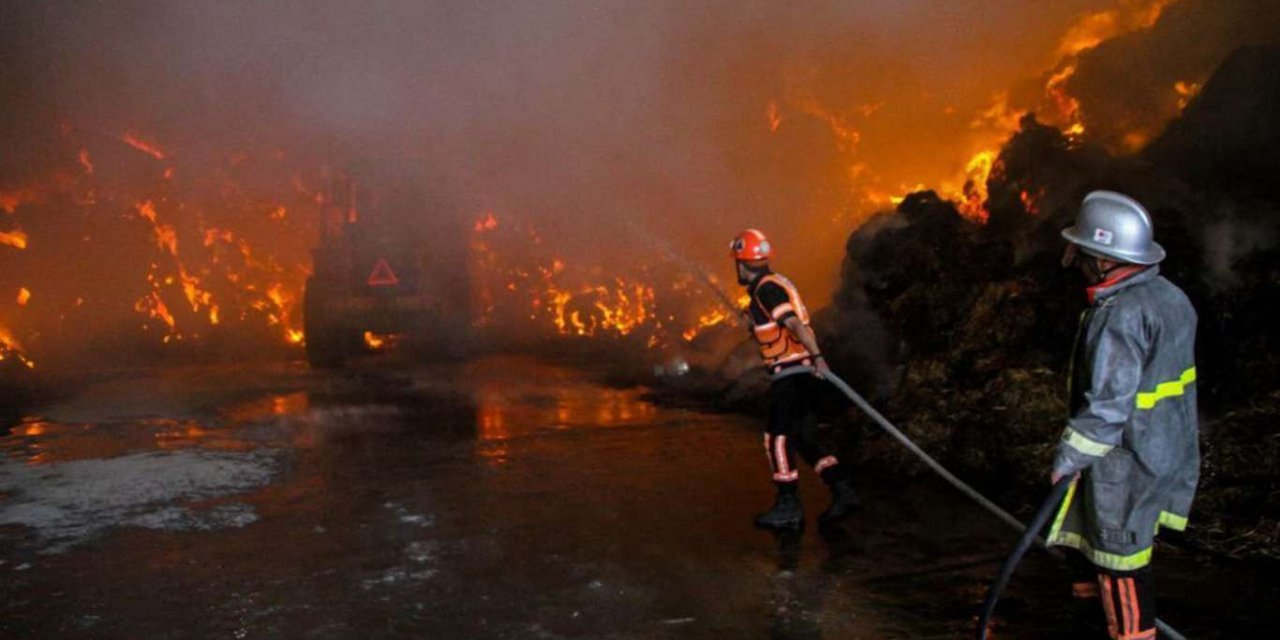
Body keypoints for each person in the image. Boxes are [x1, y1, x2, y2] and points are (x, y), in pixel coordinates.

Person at [1049, 191, 1200, 640]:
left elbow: (1107, 407)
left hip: (1124, 461)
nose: (1077, 261)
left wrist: (1067, 458)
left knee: (1120, 565)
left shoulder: (1121, 314)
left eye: (1084, 253)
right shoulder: (1171, 297)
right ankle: (1089, 627)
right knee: (1086, 546)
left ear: (1103, 259)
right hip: (1163, 450)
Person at [730, 229, 860, 530]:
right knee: (804, 438)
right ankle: (843, 490)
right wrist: (753, 322)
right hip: (802, 374)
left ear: (741, 262)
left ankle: (788, 504)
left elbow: (793, 324)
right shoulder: (772, 285)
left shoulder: (767, 290)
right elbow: (777, 328)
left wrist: (818, 357)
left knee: (776, 437)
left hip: (793, 376)